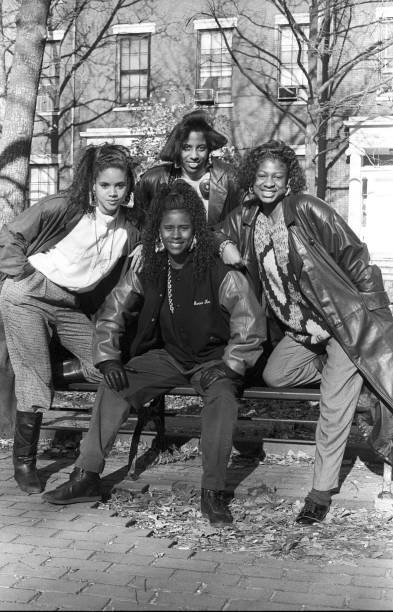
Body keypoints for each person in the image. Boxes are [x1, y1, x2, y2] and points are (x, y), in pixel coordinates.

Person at [43, 179, 266, 527]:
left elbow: (249, 324)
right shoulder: (148, 266)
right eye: (168, 228)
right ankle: (86, 476)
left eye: (184, 228)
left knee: (222, 402)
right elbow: (112, 312)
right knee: (116, 385)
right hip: (171, 357)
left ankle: (213, 493)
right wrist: (108, 357)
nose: (176, 235)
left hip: (214, 362)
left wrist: (230, 366)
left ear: (195, 230)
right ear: (159, 231)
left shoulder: (221, 272)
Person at [217, 139, 393, 525]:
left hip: (342, 324)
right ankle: (353, 384)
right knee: (275, 374)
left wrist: (376, 311)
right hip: (301, 331)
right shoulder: (246, 217)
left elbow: (355, 255)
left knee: (331, 407)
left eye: (276, 177)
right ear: (252, 178)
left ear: (288, 180)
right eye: (262, 175)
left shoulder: (307, 209)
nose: (268, 182)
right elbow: (217, 232)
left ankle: (320, 492)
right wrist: (226, 244)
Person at [0, 143, 140, 494]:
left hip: (69, 306)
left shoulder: (129, 227)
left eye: (119, 186)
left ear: (128, 187)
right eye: (105, 185)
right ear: (92, 184)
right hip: (28, 295)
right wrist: (18, 275)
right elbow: (11, 234)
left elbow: (158, 235)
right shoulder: (66, 206)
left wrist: (142, 248)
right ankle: (25, 463)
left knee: (105, 365)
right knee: (33, 381)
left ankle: (45, 366)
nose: (112, 193)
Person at [133, 109, 240, 229]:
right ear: (178, 149)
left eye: (201, 148)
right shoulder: (153, 180)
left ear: (209, 149)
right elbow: (141, 226)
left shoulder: (228, 179)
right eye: (187, 148)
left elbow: (237, 226)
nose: (194, 156)